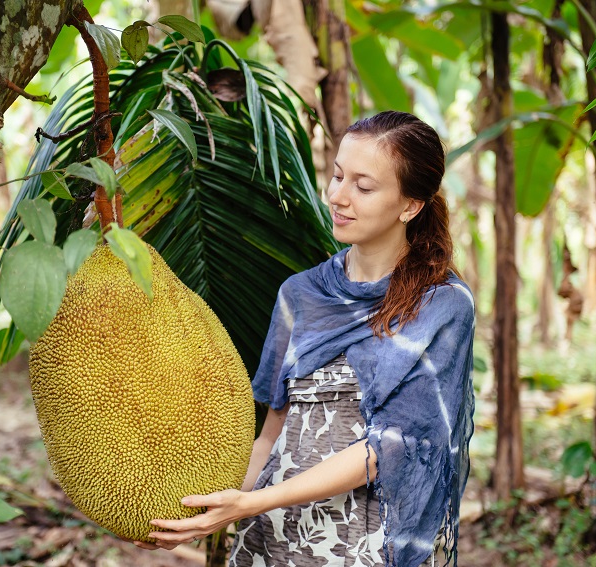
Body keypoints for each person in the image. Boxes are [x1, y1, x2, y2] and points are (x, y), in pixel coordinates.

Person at [136, 111, 475, 567]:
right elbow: (271, 435)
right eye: (337, 176)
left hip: (366, 544)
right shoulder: (301, 293)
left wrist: (254, 502)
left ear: (410, 205)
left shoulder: (443, 305)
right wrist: (200, 512)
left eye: (363, 186)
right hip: (272, 537)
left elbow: (388, 449)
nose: (338, 196)